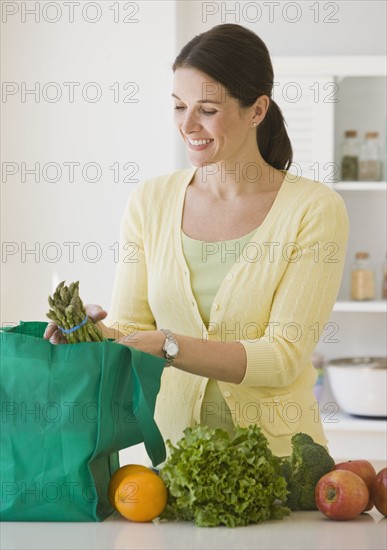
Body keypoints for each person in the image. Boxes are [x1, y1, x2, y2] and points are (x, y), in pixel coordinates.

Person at [45, 24, 349, 457]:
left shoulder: (314, 209)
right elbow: (134, 331)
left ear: (257, 110)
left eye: (206, 109)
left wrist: (171, 346)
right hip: (173, 465)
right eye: (178, 106)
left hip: (282, 468)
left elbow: (282, 357)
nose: (187, 125)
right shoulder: (150, 201)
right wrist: (93, 336)